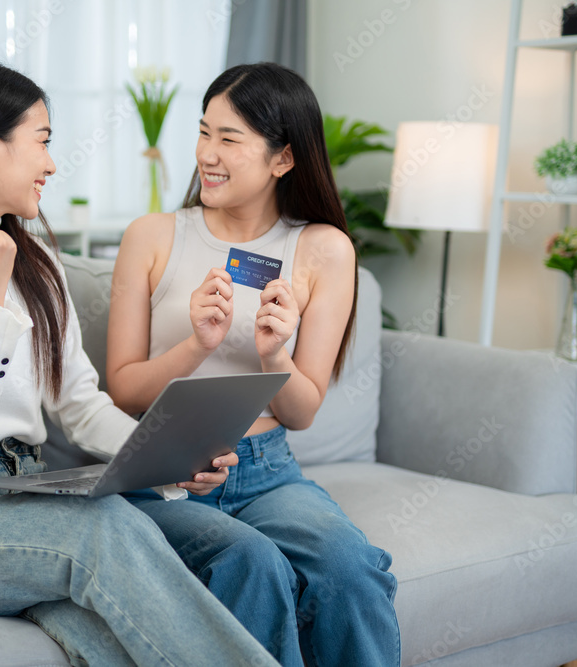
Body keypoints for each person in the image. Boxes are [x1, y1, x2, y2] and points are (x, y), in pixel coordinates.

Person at [0, 57, 279, 667]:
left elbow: (79, 406)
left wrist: (169, 462)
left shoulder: (39, 267)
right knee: (100, 531)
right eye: (43, 142)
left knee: (244, 552)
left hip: (23, 496)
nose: (52, 164)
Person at [106, 62, 401, 666]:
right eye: (204, 131)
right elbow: (124, 391)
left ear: (283, 159)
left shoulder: (323, 250)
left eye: (229, 138)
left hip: (266, 472)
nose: (206, 154)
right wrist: (197, 345)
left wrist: (274, 354)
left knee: (350, 569)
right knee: (255, 567)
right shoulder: (153, 236)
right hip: (163, 473)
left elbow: (302, 411)